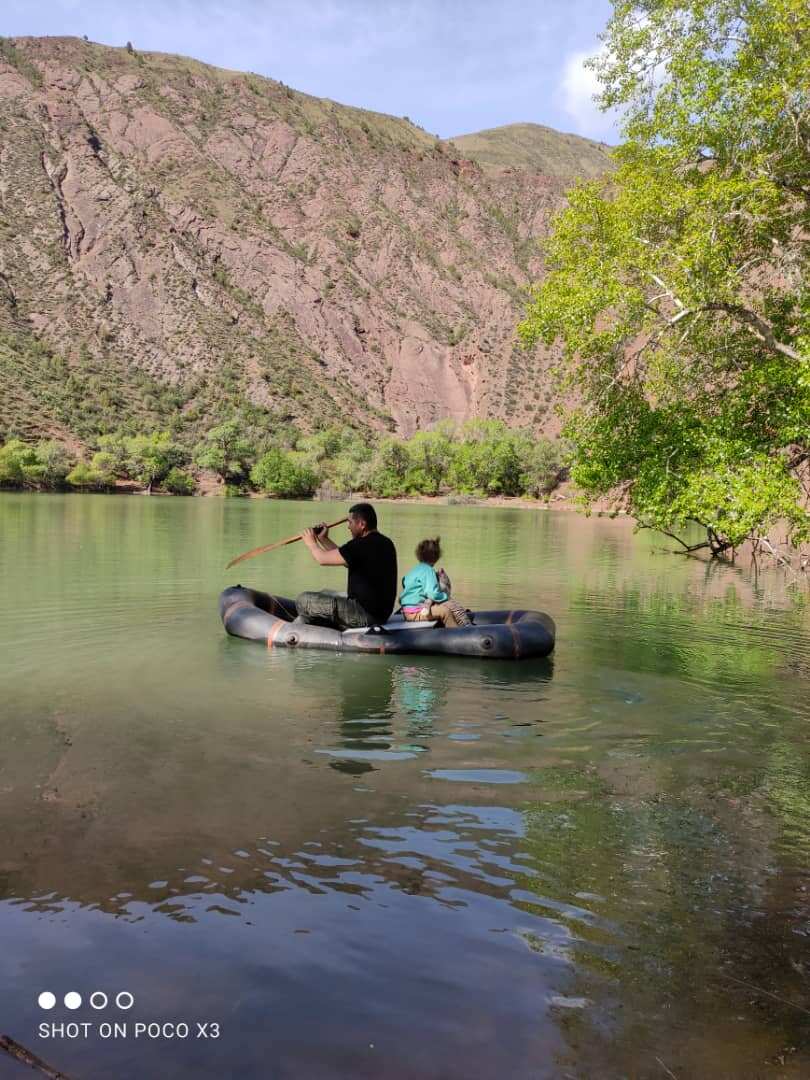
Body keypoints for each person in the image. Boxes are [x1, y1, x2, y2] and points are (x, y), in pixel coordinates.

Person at [295, 503, 398, 630]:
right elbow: (345, 558)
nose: (348, 527)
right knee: (325, 593)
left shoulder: (360, 545)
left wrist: (311, 543)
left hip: (364, 615)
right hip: (380, 615)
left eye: (350, 522)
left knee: (303, 600)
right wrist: (323, 539)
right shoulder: (386, 543)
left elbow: (322, 559)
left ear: (362, 524)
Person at [399, 537, 472, 628]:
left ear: (419, 555)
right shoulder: (428, 571)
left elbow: (405, 583)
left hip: (407, 611)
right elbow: (433, 594)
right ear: (437, 557)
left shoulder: (414, 570)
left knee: (441, 608)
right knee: (445, 611)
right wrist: (445, 596)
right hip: (416, 612)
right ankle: (457, 634)